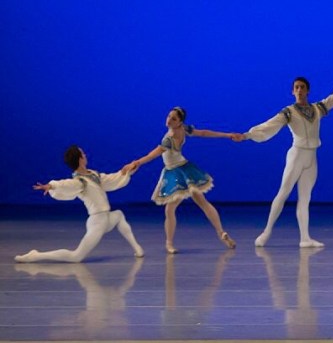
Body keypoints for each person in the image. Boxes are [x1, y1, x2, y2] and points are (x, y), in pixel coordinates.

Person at [235, 60, 333, 247]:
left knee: (305, 198)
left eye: (302, 87)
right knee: (283, 192)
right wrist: (248, 135)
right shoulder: (289, 112)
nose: (299, 90)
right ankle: (266, 231)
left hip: (311, 157)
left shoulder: (317, 109)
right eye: (296, 87)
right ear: (292, 91)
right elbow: (269, 125)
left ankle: (305, 238)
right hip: (296, 155)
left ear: (307, 91)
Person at [128, 107, 236, 254]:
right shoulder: (183, 129)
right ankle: (221, 232)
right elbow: (204, 133)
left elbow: (153, 154)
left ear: (179, 122)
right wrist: (227, 135)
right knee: (202, 202)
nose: (169, 120)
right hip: (185, 168)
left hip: (175, 172)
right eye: (169, 116)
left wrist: (137, 162)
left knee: (170, 209)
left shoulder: (169, 138)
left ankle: (169, 243)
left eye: (173, 119)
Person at [15, 145, 144, 262]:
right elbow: (65, 184)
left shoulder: (93, 174)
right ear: (80, 159)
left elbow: (110, 179)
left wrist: (126, 171)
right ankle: (36, 255)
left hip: (106, 218)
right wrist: (51, 186)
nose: (85, 155)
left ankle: (137, 248)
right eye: (83, 154)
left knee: (119, 215)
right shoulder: (80, 182)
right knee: (76, 256)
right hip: (97, 221)